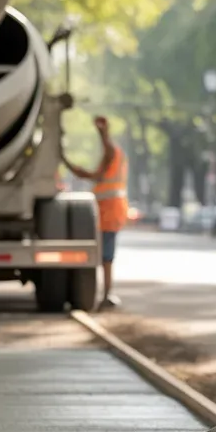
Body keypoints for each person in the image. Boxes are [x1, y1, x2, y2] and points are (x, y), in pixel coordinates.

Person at [62, 116, 128, 308]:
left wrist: (103, 133)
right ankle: (105, 294)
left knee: (106, 256)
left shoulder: (113, 154)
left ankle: (107, 294)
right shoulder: (111, 161)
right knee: (105, 255)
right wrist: (71, 166)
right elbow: (93, 175)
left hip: (110, 212)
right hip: (109, 212)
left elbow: (106, 152)